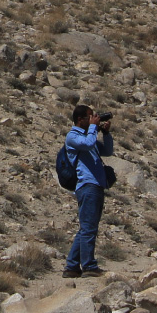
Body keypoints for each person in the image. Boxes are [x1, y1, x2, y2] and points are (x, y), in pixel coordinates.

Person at [63, 104, 114, 278]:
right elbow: (88, 143)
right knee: (89, 229)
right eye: (90, 117)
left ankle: (71, 267)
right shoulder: (73, 137)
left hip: (96, 185)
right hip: (87, 185)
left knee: (86, 228)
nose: (94, 119)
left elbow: (107, 151)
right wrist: (94, 127)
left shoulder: (88, 135)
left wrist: (105, 133)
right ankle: (89, 266)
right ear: (80, 120)